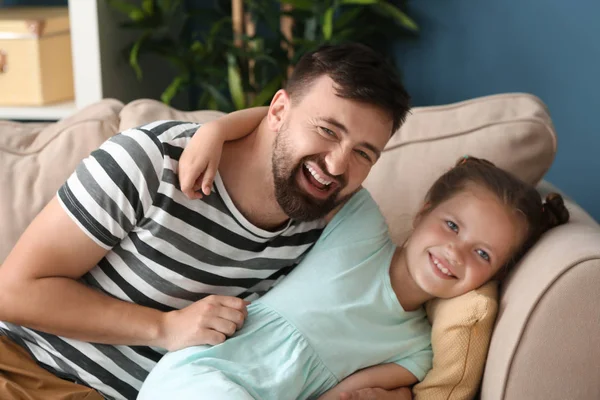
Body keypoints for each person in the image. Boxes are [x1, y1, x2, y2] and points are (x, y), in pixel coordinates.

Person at [0, 43, 411, 400]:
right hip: (23, 366)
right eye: (326, 130)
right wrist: (163, 327)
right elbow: (13, 291)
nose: (337, 164)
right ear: (279, 110)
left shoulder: (330, 217)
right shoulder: (153, 160)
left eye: (364, 154)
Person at [138, 136, 570, 400]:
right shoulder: (360, 224)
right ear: (424, 211)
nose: (456, 253)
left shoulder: (419, 351)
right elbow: (287, 132)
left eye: (483, 255)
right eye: (452, 226)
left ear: (492, 278)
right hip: (203, 376)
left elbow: (341, 396)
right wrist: (217, 131)